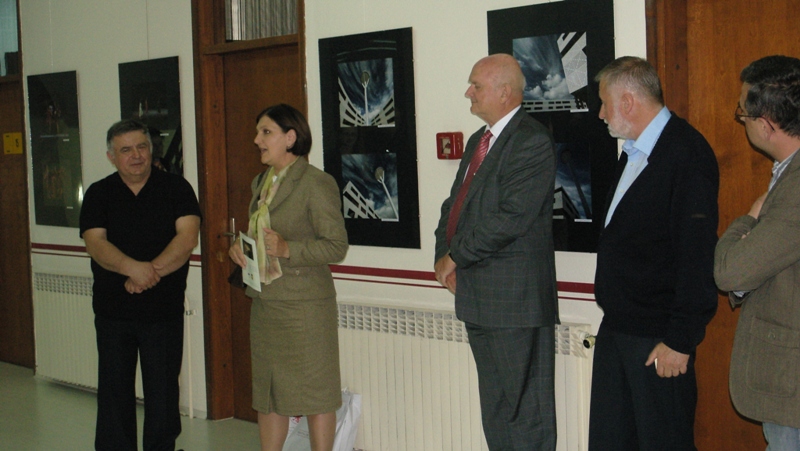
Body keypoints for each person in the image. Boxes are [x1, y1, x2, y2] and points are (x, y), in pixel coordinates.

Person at [589, 56, 719, 450]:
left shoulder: (686, 153)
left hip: (659, 338)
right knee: (611, 441)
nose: (601, 114)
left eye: (604, 104)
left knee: (663, 442)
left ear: (628, 102)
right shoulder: (633, 153)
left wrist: (681, 340)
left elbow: (697, 255)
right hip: (618, 329)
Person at [434, 53, 559, 450]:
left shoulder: (531, 140)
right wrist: (442, 255)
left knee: (526, 415)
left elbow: (511, 218)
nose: (468, 93)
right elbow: (455, 205)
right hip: (478, 298)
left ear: (505, 92)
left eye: (476, 85)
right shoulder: (479, 140)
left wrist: (455, 257)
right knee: (497, 412)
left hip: (515, 303)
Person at [228, 104, 348, 451]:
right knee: (269, 394)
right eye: (258, 132)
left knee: (315, 394)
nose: (257, 140)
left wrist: (287, 248)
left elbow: (336, 246)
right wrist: (240, 247)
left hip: (305, 309)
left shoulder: (316, 183)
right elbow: (260, 233)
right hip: (266, 305)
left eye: (266, 132)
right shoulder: (261, 183)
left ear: (291, 137)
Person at [80, 119, 201, 451]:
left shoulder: (177, 188)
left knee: (163, 393)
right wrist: (132, 269)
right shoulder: (98, 193)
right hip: (113, 312)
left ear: (151, 150)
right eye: (126, 150)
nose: (136, 156)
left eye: (141, 147)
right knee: (114, 392)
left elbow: (187, 238)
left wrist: (148, 274)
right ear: (111, 157)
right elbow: (95, 243)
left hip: (162, 312)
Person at [714, 55, 800, 450]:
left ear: (765, 125)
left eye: (742, 114)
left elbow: (731, 272)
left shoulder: (796, 188)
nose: (741, 120)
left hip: (791, 389)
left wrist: (749, 218)